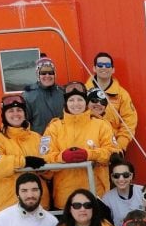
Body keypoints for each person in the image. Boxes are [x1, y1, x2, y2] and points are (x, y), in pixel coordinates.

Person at [45, 81, 120, 209]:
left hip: (96, 194)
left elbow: (113, 152)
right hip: (65, 196)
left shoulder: (101, 125)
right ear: (66, 103)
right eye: (71, 100)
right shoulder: (54, 127)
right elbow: (44, 158)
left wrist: (89, 154)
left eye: (80, 99)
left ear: (86, 102)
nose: (76, 104)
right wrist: (62, 157)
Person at [0, 94, 50, 213]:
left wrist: (44, 169)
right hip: (9, 207)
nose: (16, 114)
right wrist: (24, 162)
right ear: (4, 115)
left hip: (39, 205)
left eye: (19, 110)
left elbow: (49, 168)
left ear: (25, 113)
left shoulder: (37, 138)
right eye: (10, 111)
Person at [85, 51, 138, 151]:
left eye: (107, 65)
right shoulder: (83, 92)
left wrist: (119, 146)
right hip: (89, 146)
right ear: (94, 68)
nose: (104, 67)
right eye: (100, 65)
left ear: (113, 69)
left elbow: (129, 122)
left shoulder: (122, 95)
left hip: (113, 146)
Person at [22, 56, 64, 135]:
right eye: (43, 73)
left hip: (61, 139)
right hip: (39, 141)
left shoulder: (62, 92)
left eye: (51, 72)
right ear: (38, 74)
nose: (47, 76)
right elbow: (23, 124)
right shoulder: (28, 95)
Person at [102, 156, 143, 226]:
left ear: (131, 176)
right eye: (116, 176)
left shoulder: (143, 191)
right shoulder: (107, 199)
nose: (121, 179)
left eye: (125, 175)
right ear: (112, 177)